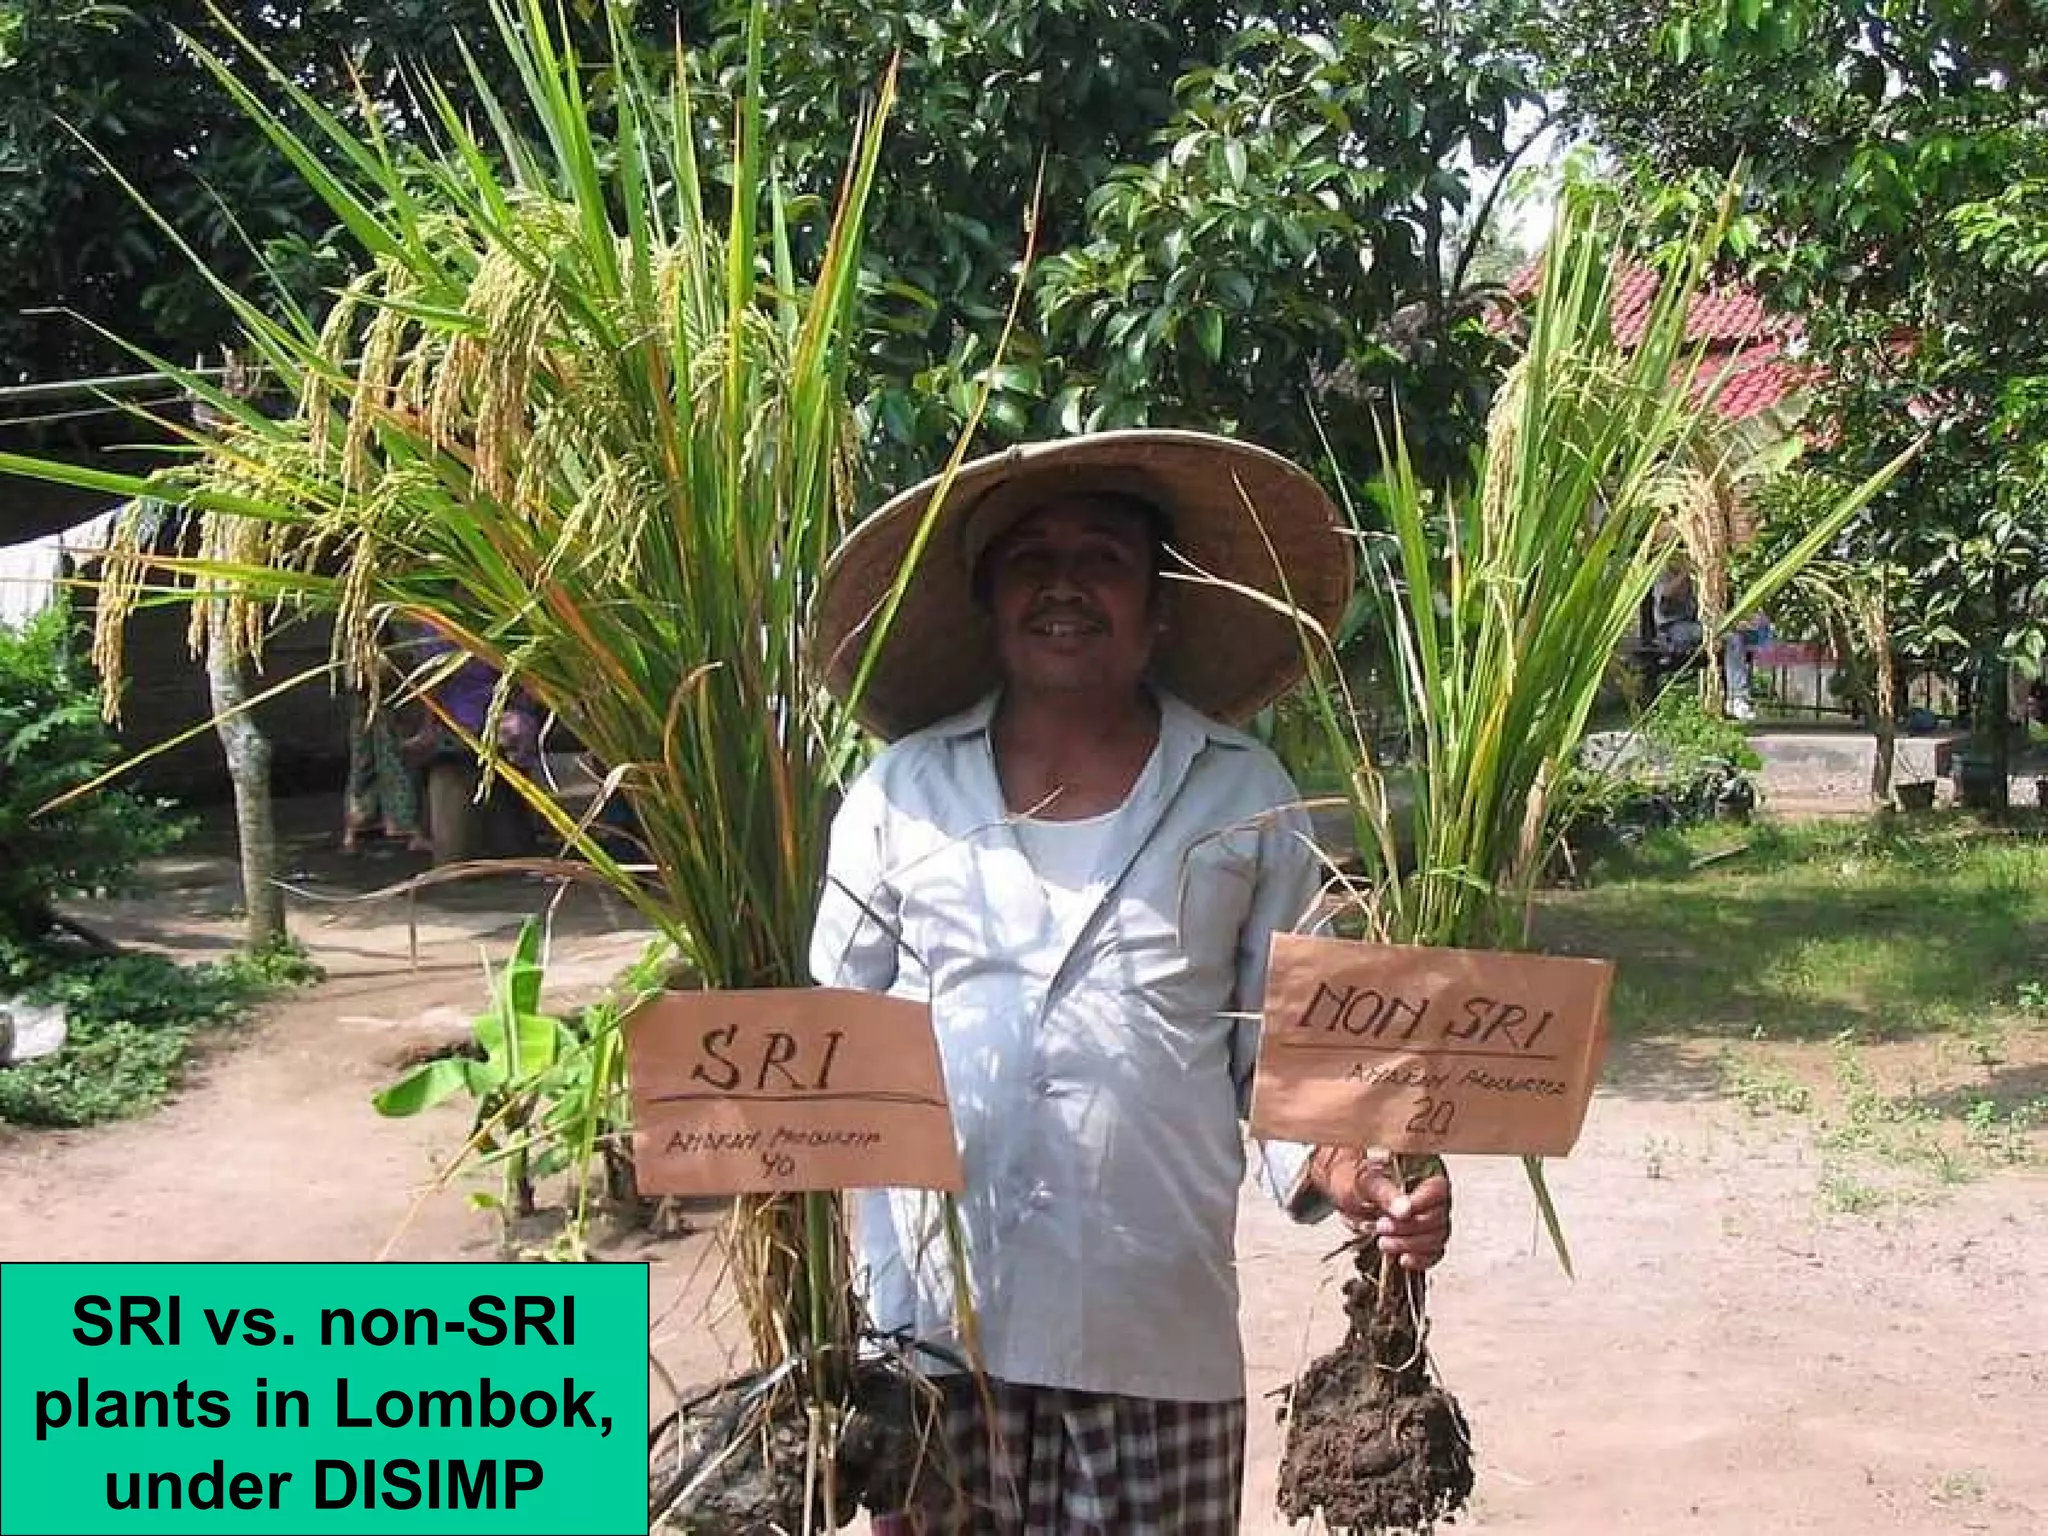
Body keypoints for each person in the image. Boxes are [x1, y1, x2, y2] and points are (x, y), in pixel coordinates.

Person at [809, 431, 1453, 1534]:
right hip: (937, 1342)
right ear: (986, 603)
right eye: (1029, 559)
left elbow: (1282, 1061)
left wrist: (1357, 1172)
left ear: (1160, 607)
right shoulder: (899, 793)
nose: (1063, 584)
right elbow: (828, 1050)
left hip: (1154, 1324)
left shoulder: (1242, 796)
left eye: (1102, 556)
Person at [340, 685, 430, 854]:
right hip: (380, 681)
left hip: (366, 681)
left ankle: (357, 827)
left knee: (366, 755)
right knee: (391, 754)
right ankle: (405, 825)